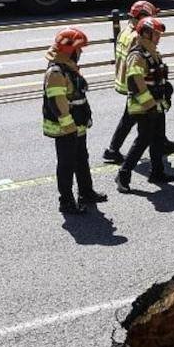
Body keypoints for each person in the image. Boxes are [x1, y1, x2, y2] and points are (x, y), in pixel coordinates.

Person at [104, 0, 174, 163]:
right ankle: (114, 150)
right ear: (142, 17)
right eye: (152, 16)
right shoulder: (136, 36)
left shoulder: (124, 31)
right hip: (137, 83)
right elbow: (139, 63)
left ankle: (161, 141)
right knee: (134, 118)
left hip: (124, 79)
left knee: (138, 117)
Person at [43, 27, 107, 214]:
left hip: (75, 124)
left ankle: (86, 193)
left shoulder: (67, 68)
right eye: (79, 49)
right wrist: (68, 124)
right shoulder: (56, 72)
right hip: (65, 128)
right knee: (66, 164)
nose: (80, 53)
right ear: (69, 50)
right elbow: (58, 102)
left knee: (81, 159)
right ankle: (67, 202)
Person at [116, 16, 174, 192]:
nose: (159, 37)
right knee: (143, 141)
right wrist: (149, 105)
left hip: (156, 106)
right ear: (146, 34)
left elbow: (155, 77)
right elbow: (136, 83)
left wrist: (165, 89)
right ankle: (123, 175)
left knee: (157, 139)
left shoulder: (152, 52)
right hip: (144, 108)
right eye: (156, 34)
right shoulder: (137, 55)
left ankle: (157, 172)